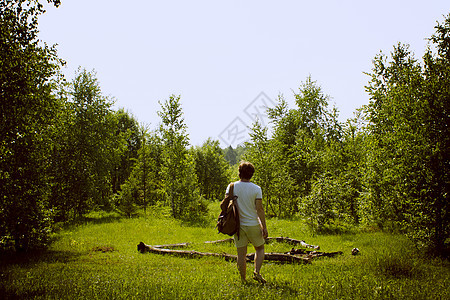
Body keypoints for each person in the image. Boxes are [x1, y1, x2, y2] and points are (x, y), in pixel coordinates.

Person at [225, 161, 268, 283]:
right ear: (251, 174)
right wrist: (264, 227)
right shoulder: (256, 189)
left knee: (241, 255)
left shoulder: (231, 186)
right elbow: (259, 209)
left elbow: (226, 204)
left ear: (239, 173)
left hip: (237, 226)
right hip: (253, 224)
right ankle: (257, 272)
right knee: (260, 248)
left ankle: (243, 280)